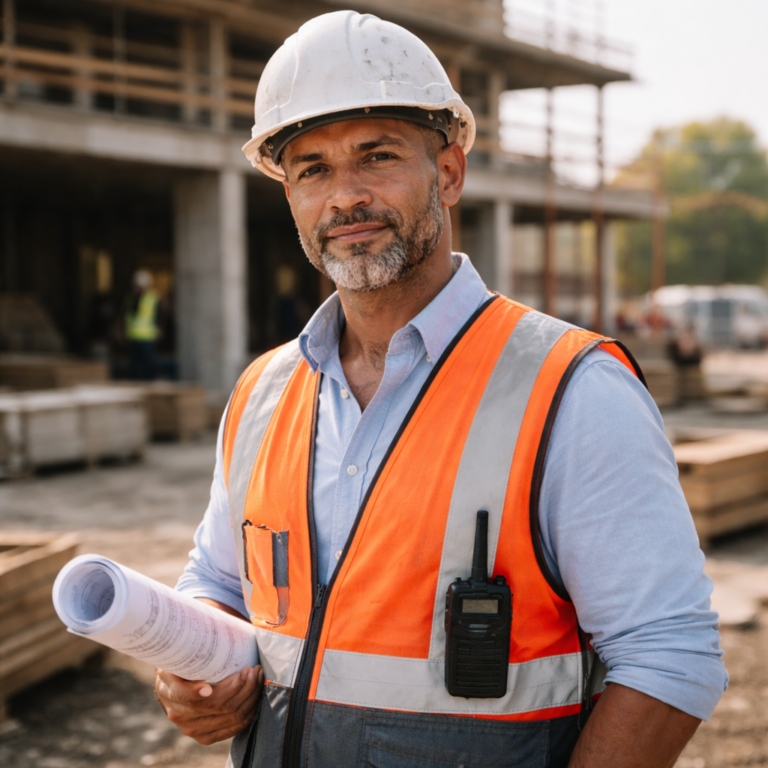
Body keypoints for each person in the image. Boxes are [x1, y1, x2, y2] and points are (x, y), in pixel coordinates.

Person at [156, 11, 726, 768]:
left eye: (377, 156)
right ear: (287, 194)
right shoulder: (263, 393)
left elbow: (668, 656)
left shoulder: (570, 388)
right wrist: (195, 665)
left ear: (449, 173)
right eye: (312, 169)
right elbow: (217, 578)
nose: (344, 197)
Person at [123, 269, 162, 380]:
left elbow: (161, 317)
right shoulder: (129, 298)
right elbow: (124, 316)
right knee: (134, 367)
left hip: (148, 338)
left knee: (148, 366)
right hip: (132, 337)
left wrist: (159, 332)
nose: (136, 288)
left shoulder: (153, 298)